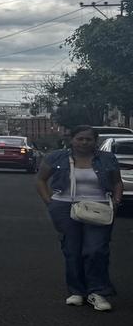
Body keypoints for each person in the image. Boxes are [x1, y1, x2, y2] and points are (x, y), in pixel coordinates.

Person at [35, 125, 124, 312]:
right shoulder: (56, 157)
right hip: (65, 207)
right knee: (72, 250)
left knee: (96, 250)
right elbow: (41, 179)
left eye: (88, 139)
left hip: (98, 207)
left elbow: (117, 181)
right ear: (72, 140)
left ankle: (97, 292)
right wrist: (50, 202)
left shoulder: (107, 158)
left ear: (95, 141)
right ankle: (77, 292)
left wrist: (116, 201)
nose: (84, 142)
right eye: (80, 139)